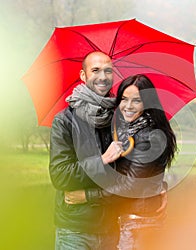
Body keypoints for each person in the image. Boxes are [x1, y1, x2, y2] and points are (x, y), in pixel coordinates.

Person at [65, 74, 177, 249]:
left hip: (138, 222)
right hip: (133, 218)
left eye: (136, 101)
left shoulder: (149, 136)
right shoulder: (133, 130)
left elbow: (130, 186)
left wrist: (86, 196)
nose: (128, 106)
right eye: (124, 99)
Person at [49, 51, 125, 250]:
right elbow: (61, 177)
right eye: (95, 70)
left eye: (108, 71)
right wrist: (103, 160)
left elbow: (129, 180)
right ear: (83, 76)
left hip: (110, 228)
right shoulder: (64, 121)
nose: (103, 77)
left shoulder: (120, 119)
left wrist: (87, 195)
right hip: (74, 231)